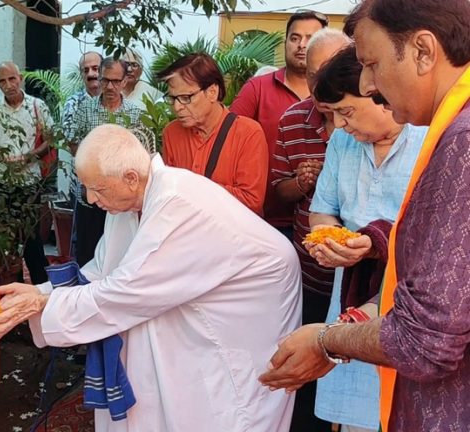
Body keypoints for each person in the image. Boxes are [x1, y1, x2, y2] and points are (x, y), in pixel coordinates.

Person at [0, 123, 302, 432]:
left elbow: (124, 293)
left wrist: (42, 304)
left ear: (131, 177)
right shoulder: (129, 199)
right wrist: (39, 292)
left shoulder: (176, 205)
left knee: (221, 403)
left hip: (242, 315)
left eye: (98, 189)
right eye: (87, 188)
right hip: (195, 300)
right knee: (154, 366)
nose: (91, 200)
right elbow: (102, 271)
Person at [257, 2, 470, 427]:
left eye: (371, 63)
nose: (369, 83)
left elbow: (424, 340)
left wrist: (326, 341)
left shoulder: (460, 143)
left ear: (423, 52)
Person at [305, 44, 426, 432]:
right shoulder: (342, 143)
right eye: (334, 114)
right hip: (350, 291)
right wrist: (326, 240)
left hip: (407, 295)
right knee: (354, 418)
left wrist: (375, 244)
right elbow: (323, 208)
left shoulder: (429, 137)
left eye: (346, 111)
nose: (341, 125)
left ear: (379, 96)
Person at [271, 28, 351, 432]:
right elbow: (277, 193)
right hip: (309, 274)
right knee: (306, 368)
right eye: (315, 74)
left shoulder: (379, 116)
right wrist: (302, 183)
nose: (322, 85)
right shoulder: (291, 120)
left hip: (359, 281)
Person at [229, 10, 328, 236]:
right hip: (264, 216)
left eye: (311, 39)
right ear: (285, 42)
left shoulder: (337, 93)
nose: (302, 45)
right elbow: (228, 135)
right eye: (295, 38)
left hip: (321, 218)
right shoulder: (258, 88)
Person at [0, 61, 53, 284]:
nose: (8, 85)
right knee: (5, 238)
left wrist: (29, 156)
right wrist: (0, 154)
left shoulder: (37, 106)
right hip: (1, 180)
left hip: (30, 180)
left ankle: (41, 289)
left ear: (20, 79)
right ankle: (12, 287)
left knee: (32, 238)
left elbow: (50, 140)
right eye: (3, 81)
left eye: (12, 79)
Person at [159, 53, 268, 214]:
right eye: (172, 98)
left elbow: (251, 201)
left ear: (212, 92)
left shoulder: (249, 133)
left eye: (185, 98)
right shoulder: (172, 132)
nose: (177, 107)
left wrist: (192, 188)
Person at [65, 57, 144, 266]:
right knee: (86, 249)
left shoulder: (136, 114)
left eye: (115, 81)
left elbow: (142, 156)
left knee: (119, 251)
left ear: (125, 82)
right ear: (99, 79)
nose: (110, 86)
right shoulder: (84, 110)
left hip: (121, 197)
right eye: (105, 80)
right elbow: (72, 145)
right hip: (89, 194)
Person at [62, 51, 103, 129]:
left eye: (95, 69)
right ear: (81, 74)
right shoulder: (73, 103)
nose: (90, 74)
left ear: (104, 70)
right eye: (85, 70)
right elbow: (69, 136)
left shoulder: (115, 99)